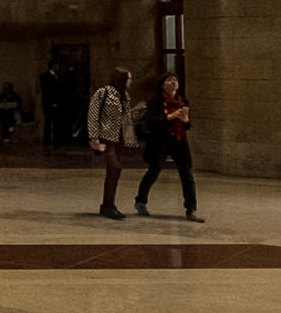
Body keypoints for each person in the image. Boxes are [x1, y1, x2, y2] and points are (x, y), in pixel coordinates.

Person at [134, 74, 205, 223]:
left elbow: (187, 124)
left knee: (187, 174)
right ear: (162, 85)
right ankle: (141, 201)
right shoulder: (156, 102)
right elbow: (151, 122)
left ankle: (191, 209)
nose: (173, 82)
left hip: (179, 140)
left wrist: (186, 122)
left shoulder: (183, 101)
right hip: (161, 141)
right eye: (169, 79)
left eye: (175, 80)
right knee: (154, 171)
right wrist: (170, 116)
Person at [88, 67, 138, 219]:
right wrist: (93, 137)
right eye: (128, 78)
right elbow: (93, 114)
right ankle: (108, 205)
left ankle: (108, 205)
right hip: (106, 137)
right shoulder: (103, 93)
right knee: (115, 169)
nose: (131, 81)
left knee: (112, 172)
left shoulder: (124, 96)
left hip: (119, 137)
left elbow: (127, 118)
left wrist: (138, 111)